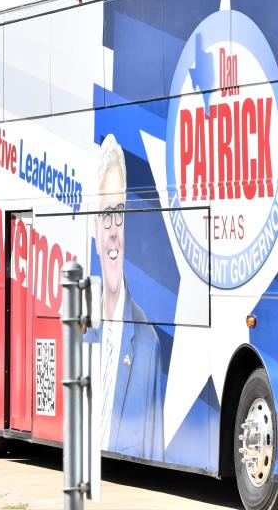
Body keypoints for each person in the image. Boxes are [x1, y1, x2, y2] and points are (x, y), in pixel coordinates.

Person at [89, 133, 164, 460]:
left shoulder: (147, 344)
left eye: (120, 212)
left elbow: (155, 452)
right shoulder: (77, 328)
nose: (113, 229)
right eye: (105, 214)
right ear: (94, 229)